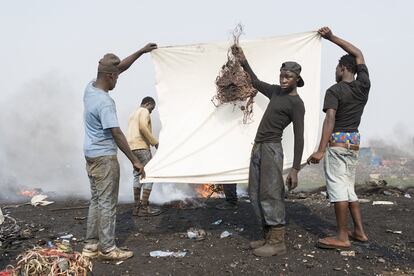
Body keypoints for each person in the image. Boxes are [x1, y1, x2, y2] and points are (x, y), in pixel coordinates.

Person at [82, 43, 157, 261]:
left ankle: (90, 246)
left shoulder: (90, 88)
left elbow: (118, 67)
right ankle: (107, 248)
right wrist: (134, 160)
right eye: (116, 77)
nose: (118, 79)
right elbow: (116, 132)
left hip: (91, 155)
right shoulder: (105, 102)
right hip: (105, 158)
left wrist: (141, 52)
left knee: (96, 200)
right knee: (107, 203)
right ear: (109, 76)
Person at [232, 45, 305, 257]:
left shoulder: (296, 104)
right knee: (254, 193)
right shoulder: (275, 91)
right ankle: (266, 236)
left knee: (271, 193)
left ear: (296, 79)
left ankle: (277, 241)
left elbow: (300, 137)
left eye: (288, 77)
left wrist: (295, 169)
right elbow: (254, 82)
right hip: (259, 146)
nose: (283, 80)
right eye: (282, 76)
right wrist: (243, 61)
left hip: (272, 148)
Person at [307, 27, 370, 250]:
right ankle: (360, 232)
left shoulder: (334, 91)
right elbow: (358, 52)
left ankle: (342, 237)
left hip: (337, 144)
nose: (335, 70)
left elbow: (329, 120)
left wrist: (320, 149)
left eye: (336, 67)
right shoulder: (364, 86)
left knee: (338, 190)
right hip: (353, 143)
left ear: (343, 68)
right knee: (349, 188)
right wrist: (332, 38)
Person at [127, 96, 161, 216]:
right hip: (141, 146)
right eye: (152, 108)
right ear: (147, 104)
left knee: (137, 175)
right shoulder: (144, 111)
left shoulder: (133, 114)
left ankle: (136, 207)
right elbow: (142, 127)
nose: (151, 111)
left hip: (131, 148)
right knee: (149, 175)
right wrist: (154, 142)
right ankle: (144, 207)